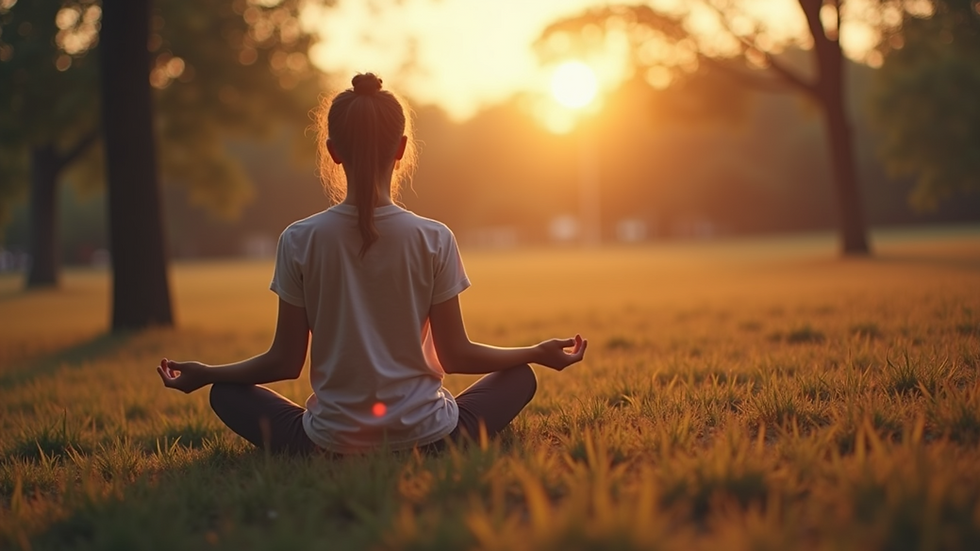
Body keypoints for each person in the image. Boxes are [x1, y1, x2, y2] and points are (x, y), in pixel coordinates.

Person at [155, 73, 588, 455]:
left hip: (328, 441)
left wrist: (206, 373)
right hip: (436, 437)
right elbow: (456, 354)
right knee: (520, 377)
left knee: (226, 394)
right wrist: (535, 352)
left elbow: (285, 362)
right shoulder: (433, 237)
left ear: (333, 151)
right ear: (401, 148)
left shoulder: (299, 239)